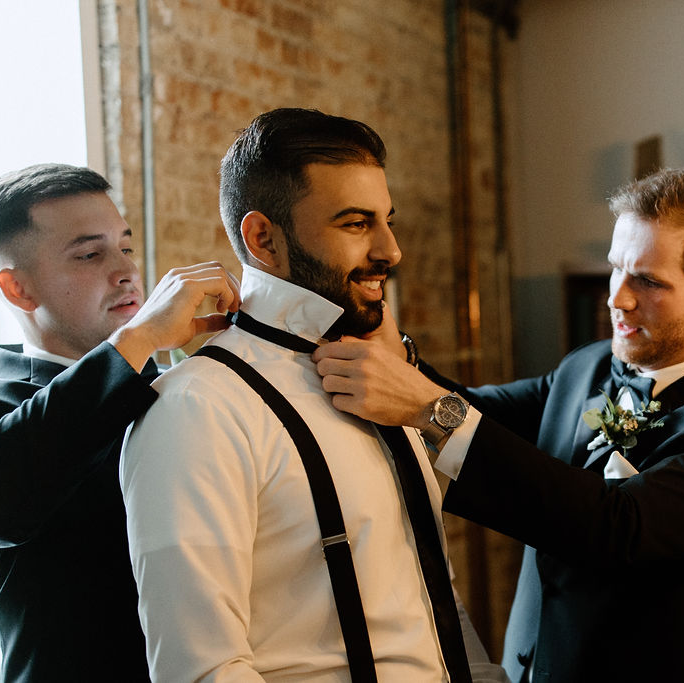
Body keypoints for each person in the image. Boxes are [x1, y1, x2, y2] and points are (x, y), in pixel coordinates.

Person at [312, 168, 684, 683]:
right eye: (616, 269)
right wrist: (387, 339)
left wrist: (431, 410)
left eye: (648, 281)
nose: (617, 298)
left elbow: (616, 529)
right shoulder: (587, 366)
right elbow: (479, 415)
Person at [120, 108, 506, 682]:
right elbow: (202, 670)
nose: (390, 250)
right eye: (355, 224)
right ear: (263, 238)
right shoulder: (197, 408)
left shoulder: (380, 379)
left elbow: (427, 600)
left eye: (386, 220)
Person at [0, 163, 241, 683]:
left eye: (125, 246)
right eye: (89, 254)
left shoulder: (194, 389)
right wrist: (136, 341)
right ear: (18, 289)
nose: (126, 270)